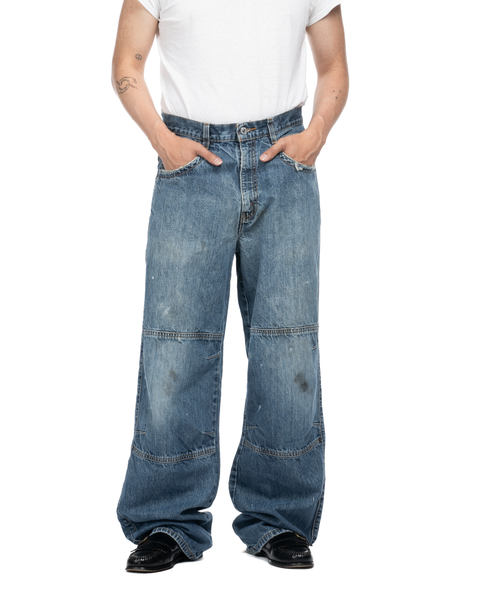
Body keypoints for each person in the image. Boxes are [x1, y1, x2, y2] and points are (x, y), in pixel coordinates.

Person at [111, 0, 348, 573]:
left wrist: (315, 134)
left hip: (284, 161)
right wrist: (163, 141)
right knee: (174, 346)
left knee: (288, 346)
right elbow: (126, 64)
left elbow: (334, 67)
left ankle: (280, 517)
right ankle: (167, 518)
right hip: (189, 162)